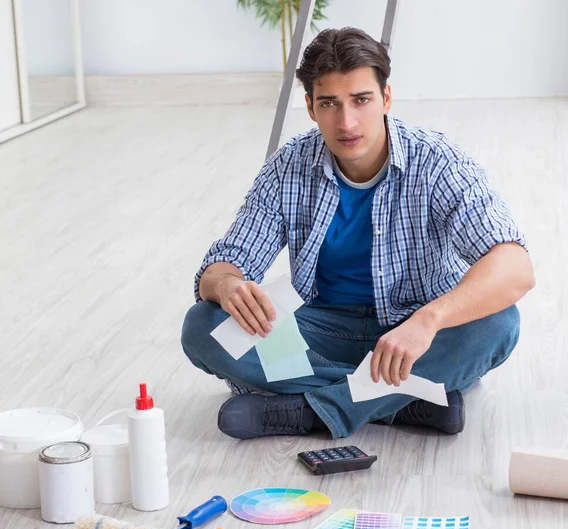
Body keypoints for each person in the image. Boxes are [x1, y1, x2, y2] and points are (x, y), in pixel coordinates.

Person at [181, 27, 535, 440]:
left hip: (412, 334)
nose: (346, 122)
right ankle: (405, 401)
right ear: (311, 108)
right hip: (317, 333)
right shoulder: (289, 167)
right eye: (329, 103)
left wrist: (428, 320)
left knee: (498, 324)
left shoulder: (438, 162)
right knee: (203, 325)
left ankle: (310, 410)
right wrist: (227, 285)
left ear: (385, 98)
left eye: (361, 100)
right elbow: (226, 262)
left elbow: (515, 266)